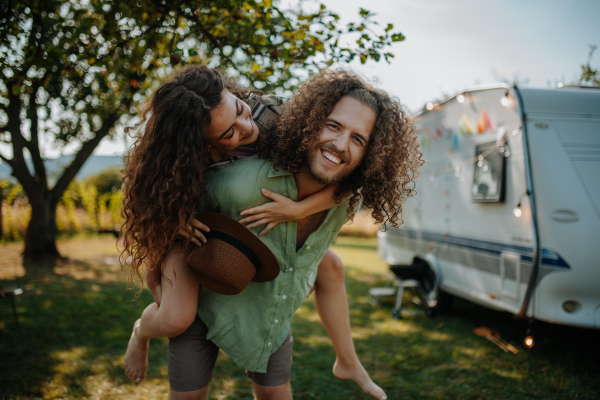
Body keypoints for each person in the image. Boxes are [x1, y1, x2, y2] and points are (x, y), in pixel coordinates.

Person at [120, 65, 415, 399]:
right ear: (203, 142)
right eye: (228, 133)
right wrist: (174, 221)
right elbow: (146, 191)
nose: (246, 128)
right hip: (194, 228)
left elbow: (350, 178)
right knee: (175, 317)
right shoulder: (186, 155)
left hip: (247, 243)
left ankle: (347, 361)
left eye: (240, 111)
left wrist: (300, 210)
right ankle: (141, 331)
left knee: (330, 266)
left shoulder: (272, 116)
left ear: (233, 94)